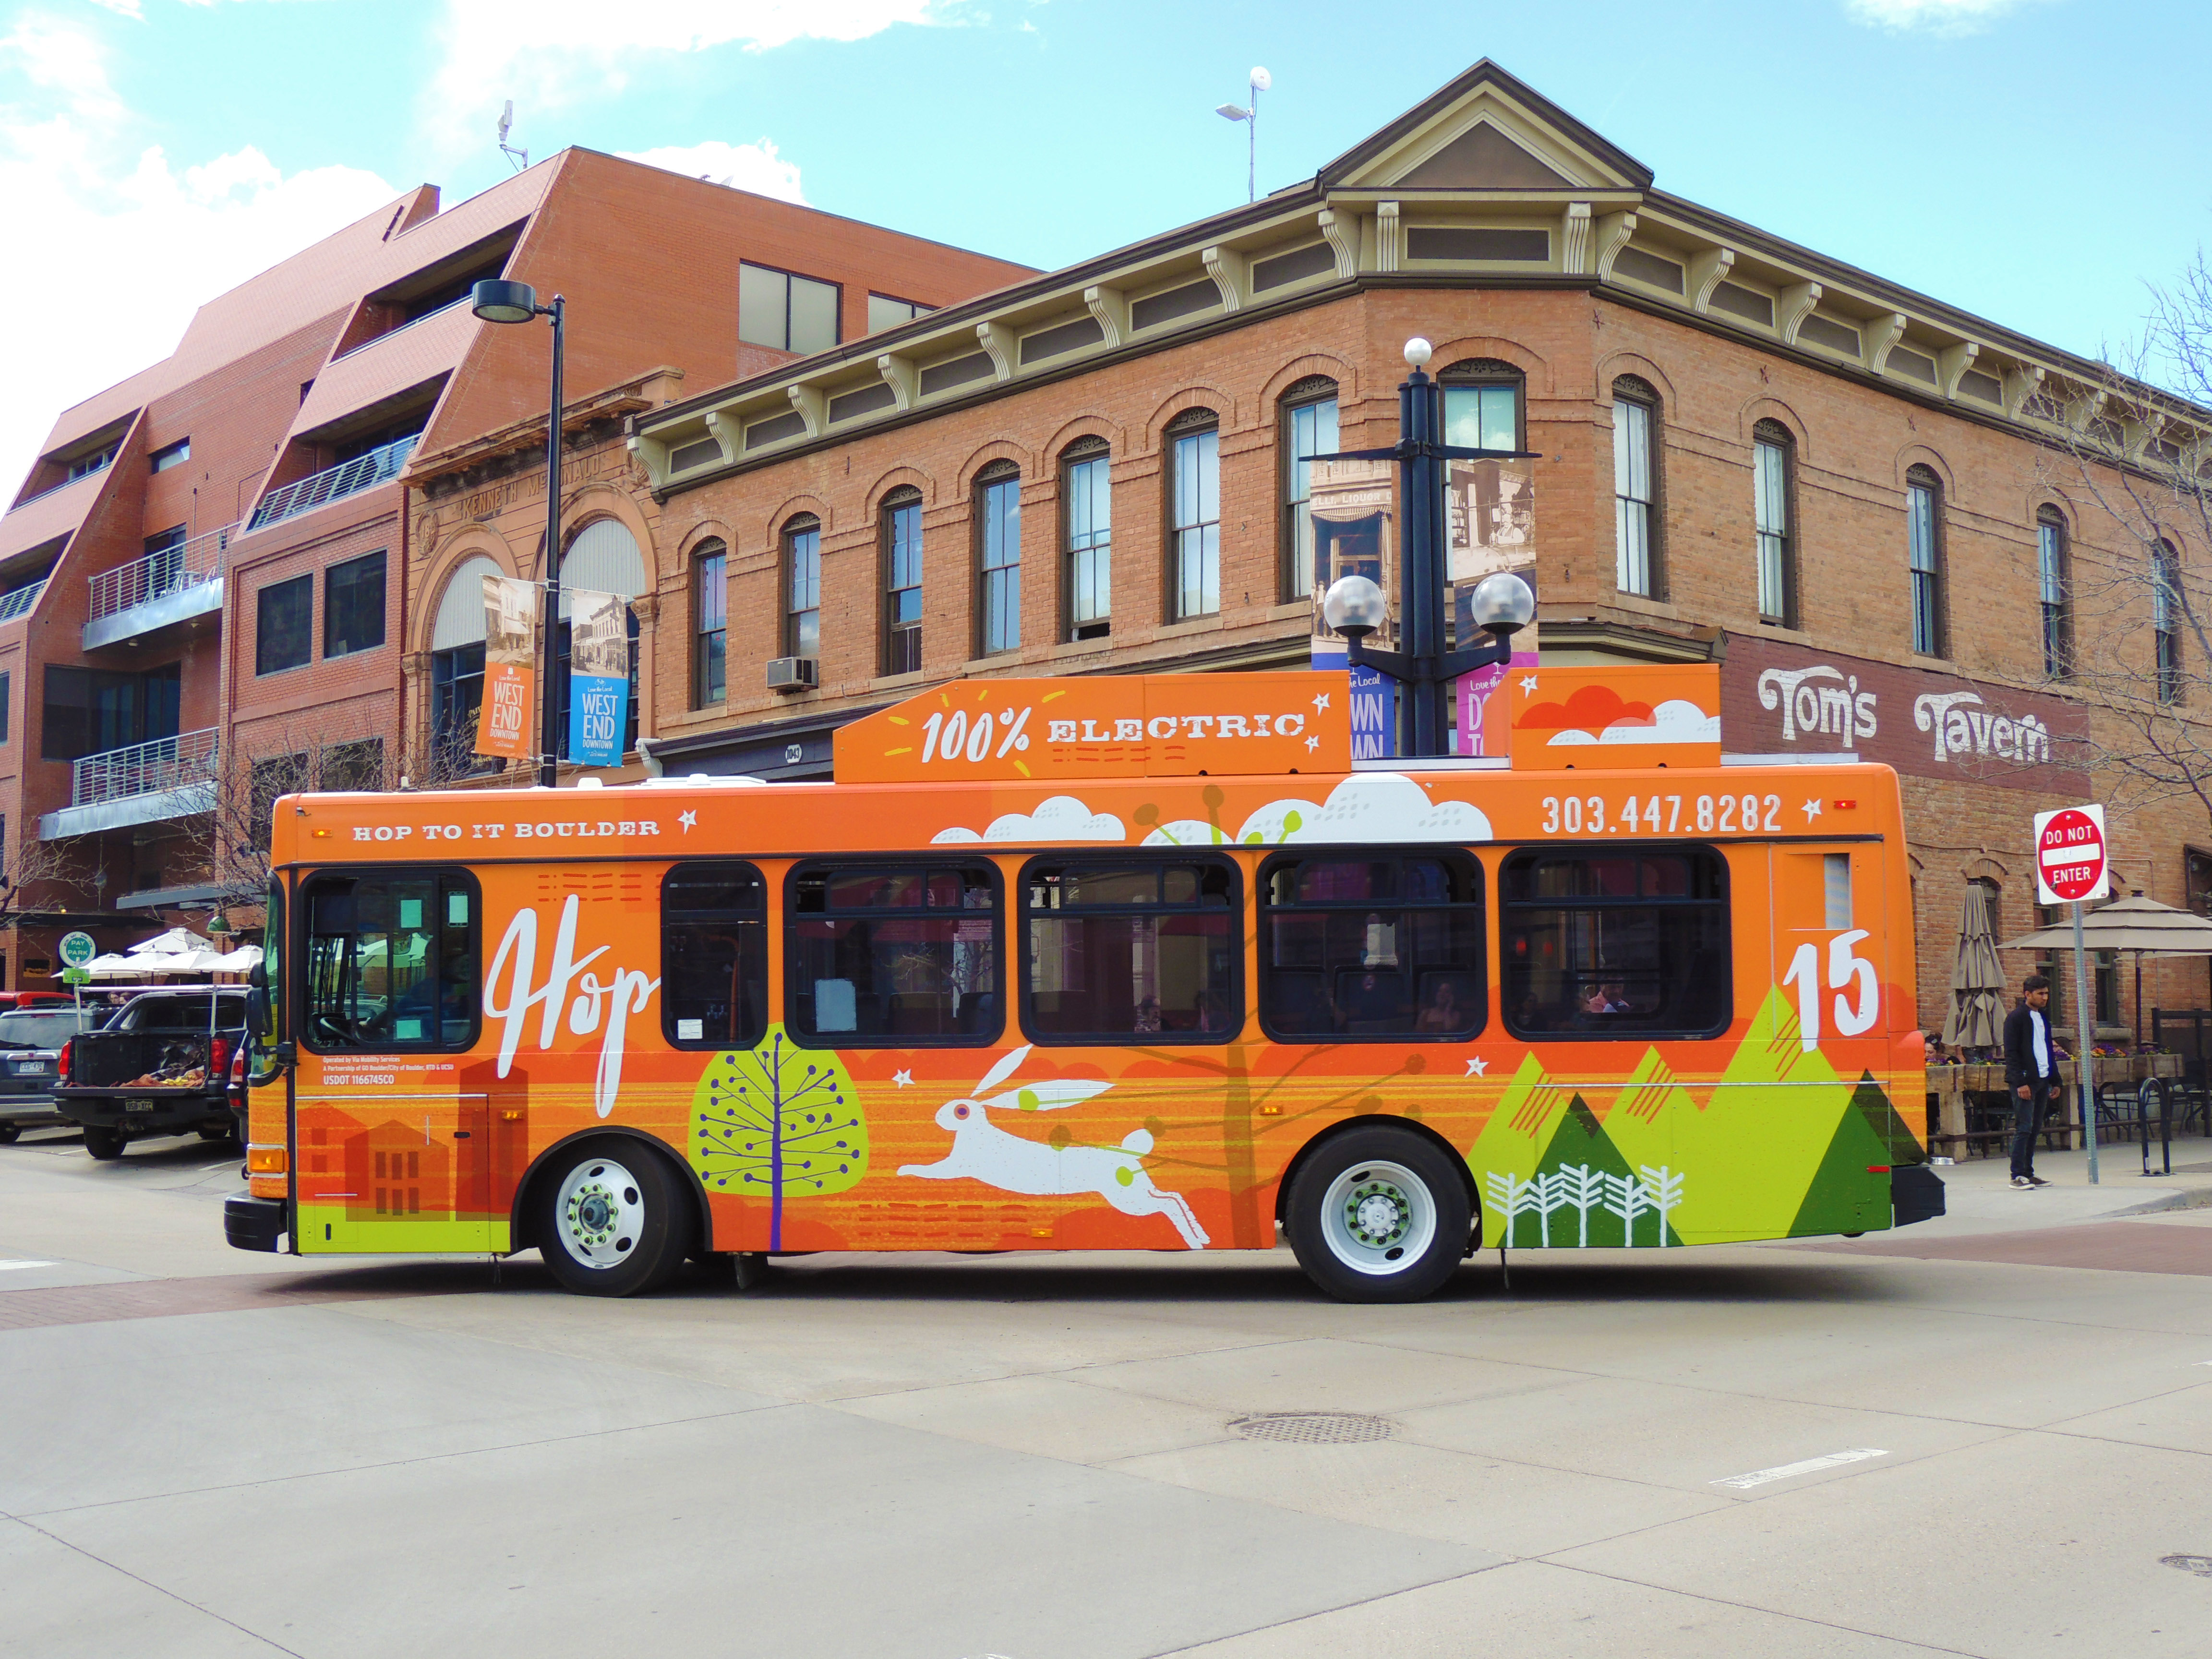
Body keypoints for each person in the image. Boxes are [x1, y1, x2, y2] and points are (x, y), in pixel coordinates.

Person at [2001, 973, 2057, 1189]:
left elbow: (2046, 1051)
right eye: (2040, 994)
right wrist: (2020, 1082)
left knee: (2034, 1128)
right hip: (2026, 1081)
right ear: (2028, 994)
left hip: (2042, 1079)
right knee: (2023, 1127)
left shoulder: (2043, 1018)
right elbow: (2012, 1053)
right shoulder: (2016, 1018)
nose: (2045, 998)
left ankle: (2028, 1172)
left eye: (2047, 994)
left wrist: (2056, 1080)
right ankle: (2017, 1175)